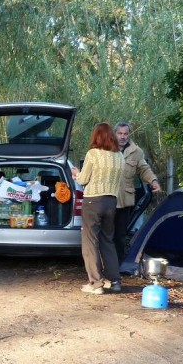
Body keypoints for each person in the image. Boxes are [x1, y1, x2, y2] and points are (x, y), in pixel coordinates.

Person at [72, 123, 123, 295]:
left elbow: (83, 179)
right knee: (108, 241)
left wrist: (75, 173)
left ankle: (95, 283)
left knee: (90, 242)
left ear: (96, 137)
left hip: (93, 201)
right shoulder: (119, 156)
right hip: (111, 202)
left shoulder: (93, 154)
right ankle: (115, 281)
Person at [113, 122, 162, 263]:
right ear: (115, 133)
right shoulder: (107, 149)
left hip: (124, 200)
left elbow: (143, 169)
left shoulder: (136, 151)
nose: (122, 137)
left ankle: (117, 266)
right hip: (107, 198)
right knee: (106, 234)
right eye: (120, 133)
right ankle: (104, 266)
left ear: (129, 134)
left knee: (120, 235)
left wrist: (153, 181)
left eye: (125, 133)